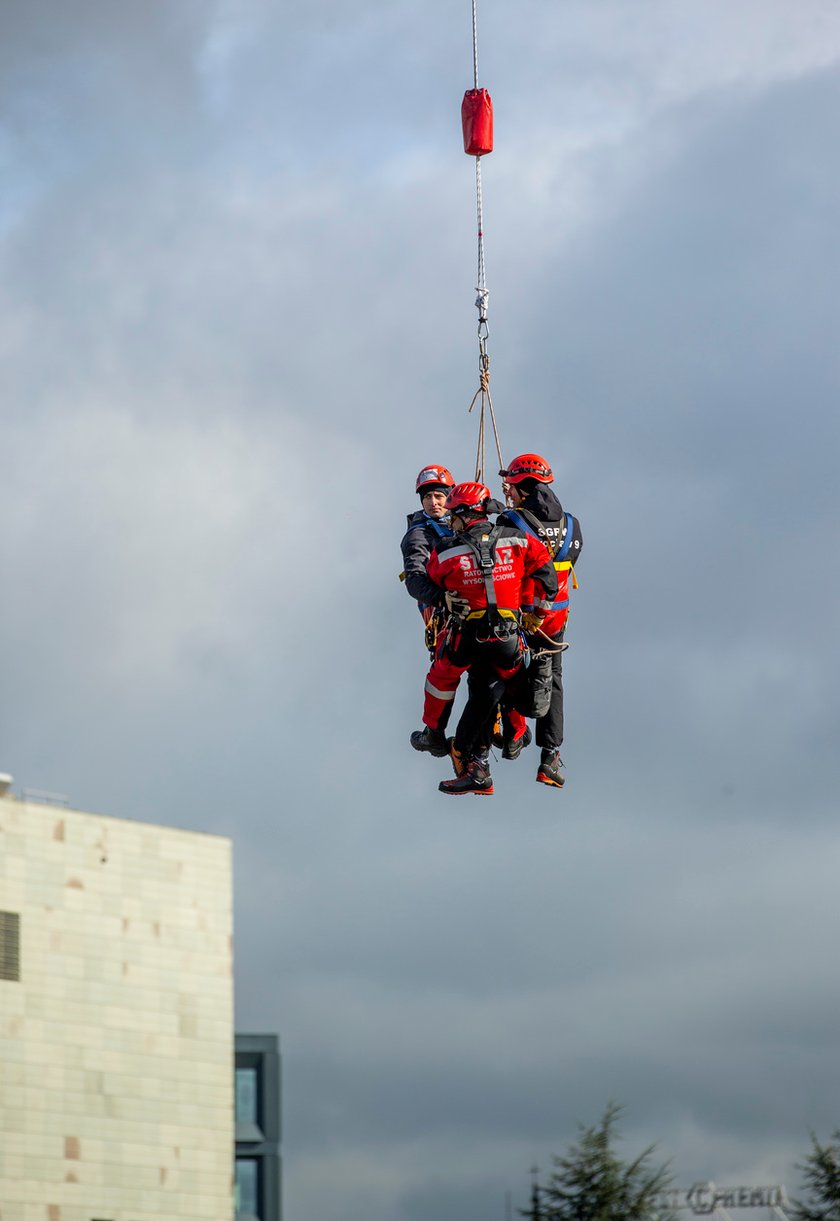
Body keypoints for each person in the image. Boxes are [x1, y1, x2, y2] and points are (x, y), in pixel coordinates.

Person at [410, 481, 558, 795]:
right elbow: (547, 571)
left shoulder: (447, 550)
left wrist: (446, 596)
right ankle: (515, 735)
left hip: (466, 640)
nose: (450, 520)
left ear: (464, 514)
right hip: (506, 641)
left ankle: (434, 734)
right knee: (510, 681)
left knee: (442, 677)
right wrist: (539, 613)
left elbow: (428, 580)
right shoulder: (518, 540)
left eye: (453, 514)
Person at [498, 452, 583, 789]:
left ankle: (511, 736)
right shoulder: (573, 524)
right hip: (555, 620)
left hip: (521, 616)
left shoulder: (511, 522)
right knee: (554, 680)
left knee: (503, 670)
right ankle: (550, 756)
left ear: (519, 487)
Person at [400, 465, 456, 651]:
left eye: (438, 496)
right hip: (441, 612)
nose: (433, 502)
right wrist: (442, 599)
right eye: (427, 497)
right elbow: (415, 580)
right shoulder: (418, 535)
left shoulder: (458, 525)